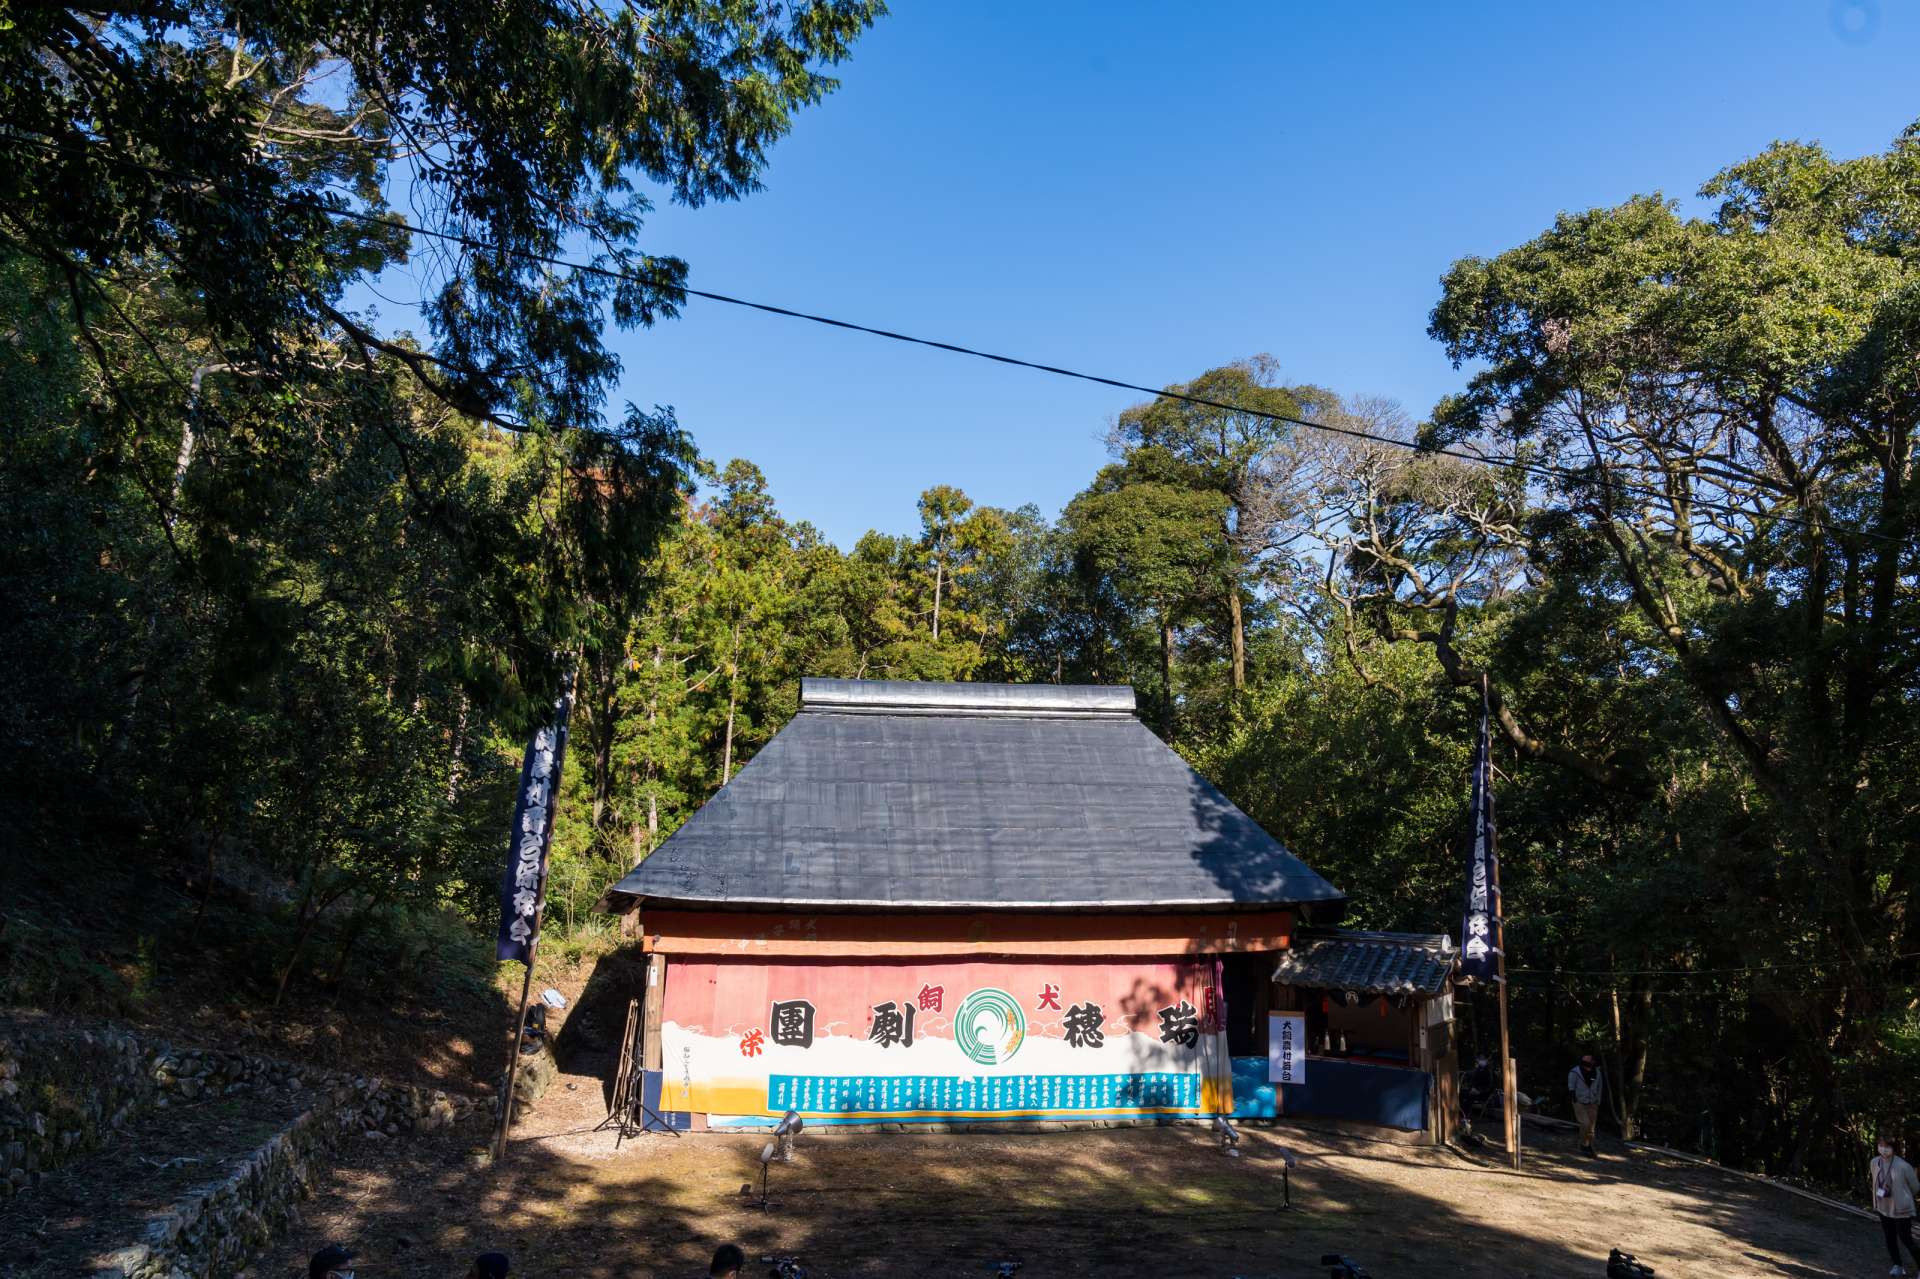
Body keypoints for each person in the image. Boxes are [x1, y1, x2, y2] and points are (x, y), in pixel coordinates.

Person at [1872, 1135, 1920, 1276]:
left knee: (1906, 1239)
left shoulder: (1904, 1166)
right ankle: (1897, 1265)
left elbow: (1915, 1187)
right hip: (1883, 1206)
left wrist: (1901, 1195)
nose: (1883, 1149)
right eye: (1881, 1146)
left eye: (1887, 1147)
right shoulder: (1874, 1162)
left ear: (1894, 1148)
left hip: (1901, 1208)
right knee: (1889, 1237)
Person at [1567, 1053, 1604, 1156]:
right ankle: (1584, 1144)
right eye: (1584, 1060)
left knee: (1591, 1128)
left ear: (1592, 1062)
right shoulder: (1575, 1072)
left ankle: (1588, 1145)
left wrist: (1598, 1100)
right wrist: (1574, 1098)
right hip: (1579, 1101)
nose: (1585, 1062)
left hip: (1593, 1102)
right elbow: (1571, 1085)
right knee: (1585, 1123)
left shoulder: (1597, 1073)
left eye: (1588, 1060)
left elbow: (1600, 1087)